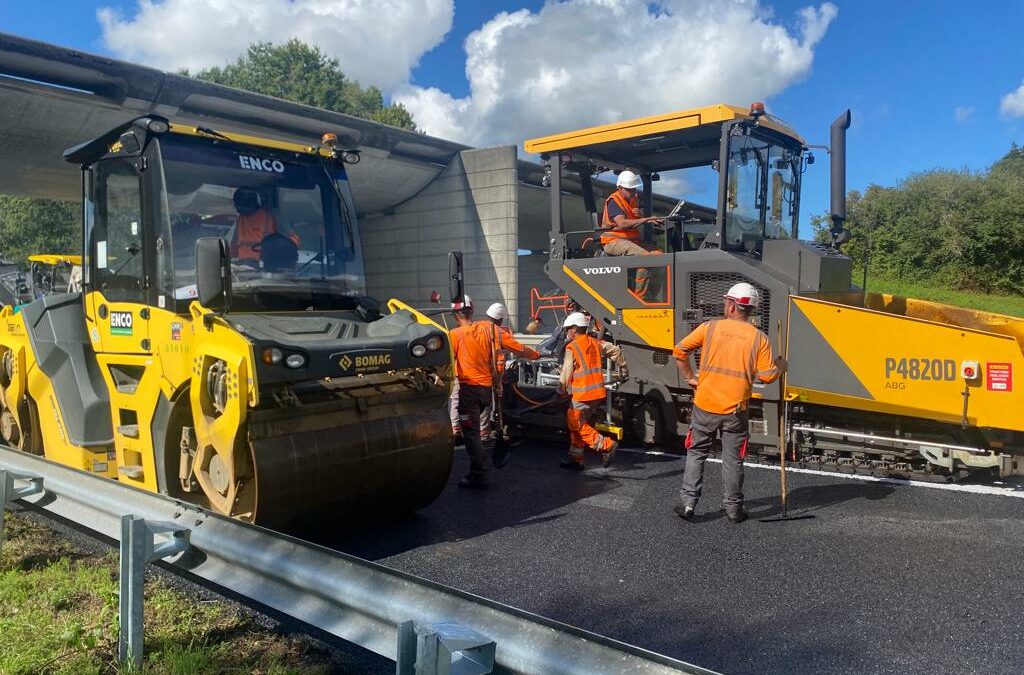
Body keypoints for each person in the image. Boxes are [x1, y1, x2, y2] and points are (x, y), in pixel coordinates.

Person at [671, 282, 787, 524]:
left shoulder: (710, 328)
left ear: (734, 305)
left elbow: (679, 351)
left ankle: (688, 503)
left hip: (705, 404)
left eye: (726, 301)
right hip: (736, 410)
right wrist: (781, 367)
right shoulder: (759, 338)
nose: (724, 304)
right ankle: (734, 509)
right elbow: (766, 377)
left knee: (696, 453)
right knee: (732, 459)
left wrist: (690, 378)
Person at [450, 299, 541, 489]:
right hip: (486, 390)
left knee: (471, 434)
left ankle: (480, 471)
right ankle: (478, 467)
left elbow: (447, 362)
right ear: (472, 310)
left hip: (469, 391)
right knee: (479, 429)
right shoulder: (489, 329)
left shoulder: (454, 335)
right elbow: (517, 348)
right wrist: (536, 355)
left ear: (455, 315)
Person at [558, 312, 627, 470]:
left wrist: (560, 390)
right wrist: (624, 369)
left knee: (575, 422)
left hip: (583, 394)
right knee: (580, 424)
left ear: (575, 329)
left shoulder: (572, 347)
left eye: (568, 329)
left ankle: (606, 445)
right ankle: (576, 458)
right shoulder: (596, 342)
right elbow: (616, 351)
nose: (567, 332)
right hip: (597, 394)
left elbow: (566, 372)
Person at [600, 171, 663, 256]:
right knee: (647, 257)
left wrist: (646, 218)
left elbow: (634, 219)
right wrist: (646, 219)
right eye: (630, 189)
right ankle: (641, 268)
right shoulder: (614, 200)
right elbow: (622, 223)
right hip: (613, 241)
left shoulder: (634, 199)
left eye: (634, 189)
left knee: (659, 255)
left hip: (632, 240)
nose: (633, 192)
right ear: (620, 187)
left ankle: (642, 269)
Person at [228, 187, 300, 263]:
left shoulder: (271, 215)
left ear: (252, 202)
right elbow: (234, 243)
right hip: (243, 266)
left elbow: (293, 239)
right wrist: (231, 261)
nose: (239, 209)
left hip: (266, 265)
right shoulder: (241, 218)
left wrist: (278, 254)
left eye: (243, 206)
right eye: (238, 206)